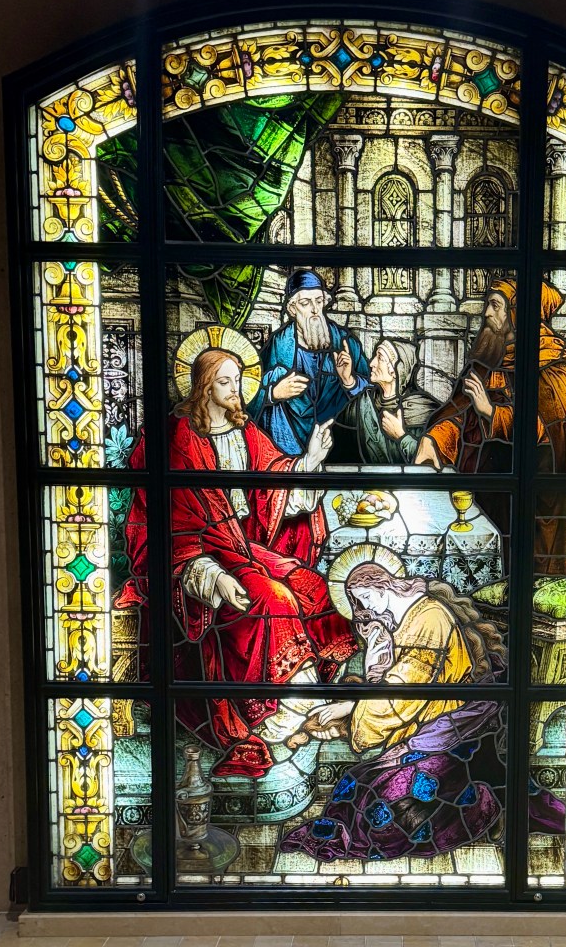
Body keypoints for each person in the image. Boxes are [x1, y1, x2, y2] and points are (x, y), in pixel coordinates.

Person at [116, 347, 358, 777]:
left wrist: (309, 462)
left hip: (244, 546)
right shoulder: (177, 439)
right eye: (225, 381)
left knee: (311, 586)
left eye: (239, 379)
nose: (236, 389)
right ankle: (284, 720)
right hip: (201, 556)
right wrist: (210, 577)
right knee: (274, 600)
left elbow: (272, 480)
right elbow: (168, 527)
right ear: (203, 385)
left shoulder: (245, 430)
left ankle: (310, 706)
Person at [281, 563, 565, 862]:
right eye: (359, 603)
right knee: (355, 787)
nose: (365, 608)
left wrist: (352, 707)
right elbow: (388, 684)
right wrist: (374, 649)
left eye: (365, 599)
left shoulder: (429, 618)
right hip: (425, 729)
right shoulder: (398, 619)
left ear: (382, 586)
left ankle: (484, 808)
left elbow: (405, 690)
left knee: (386, 810)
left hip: (450, 733)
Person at [415, 278, 566, 571]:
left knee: (525, 569)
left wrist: (492, 412)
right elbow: (461, 414)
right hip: (487, 490)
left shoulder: (557, 364)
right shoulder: (487, 361)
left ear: (517, 312)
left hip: (534, 497)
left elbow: (553, 431)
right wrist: (435, 439)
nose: (486, 313)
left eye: (495, 305)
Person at [250, 269, 370, 455]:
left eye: (319, 301)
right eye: (305, 303)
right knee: (275, 375)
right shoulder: (278, 345)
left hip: (337, 441)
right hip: (286, 447)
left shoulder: (345, 343)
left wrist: (350, 382)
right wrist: (273, 393)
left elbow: (374, 396)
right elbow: (248, 394)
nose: (315, 309)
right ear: (292, 309)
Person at [330, 338, 439, 466]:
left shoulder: (425, 412)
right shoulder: (361, 404)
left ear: (396, 370)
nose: (372, 363)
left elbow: (432, 462)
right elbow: (337, 451)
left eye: (380, 358)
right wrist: (346, 380)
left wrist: (401, 436)